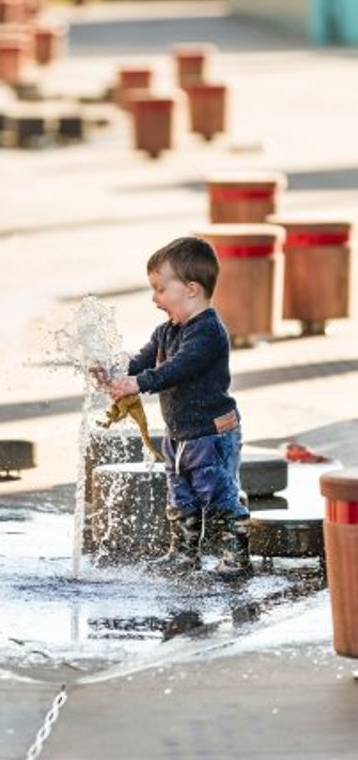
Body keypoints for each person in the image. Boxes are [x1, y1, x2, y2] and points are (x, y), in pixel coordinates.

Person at [104, 236, 252, 579]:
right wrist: (113, 373)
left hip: (211, 434)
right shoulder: (165, 332)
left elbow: (179, 368)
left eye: (159, 289)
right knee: (180, 495)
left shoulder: (209, 332)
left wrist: (139, 384)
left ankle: (236, 555)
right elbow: (140, 363)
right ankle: (184, 554)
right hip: (179, 435)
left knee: (217, 494)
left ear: (191, 289)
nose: (154, 299)